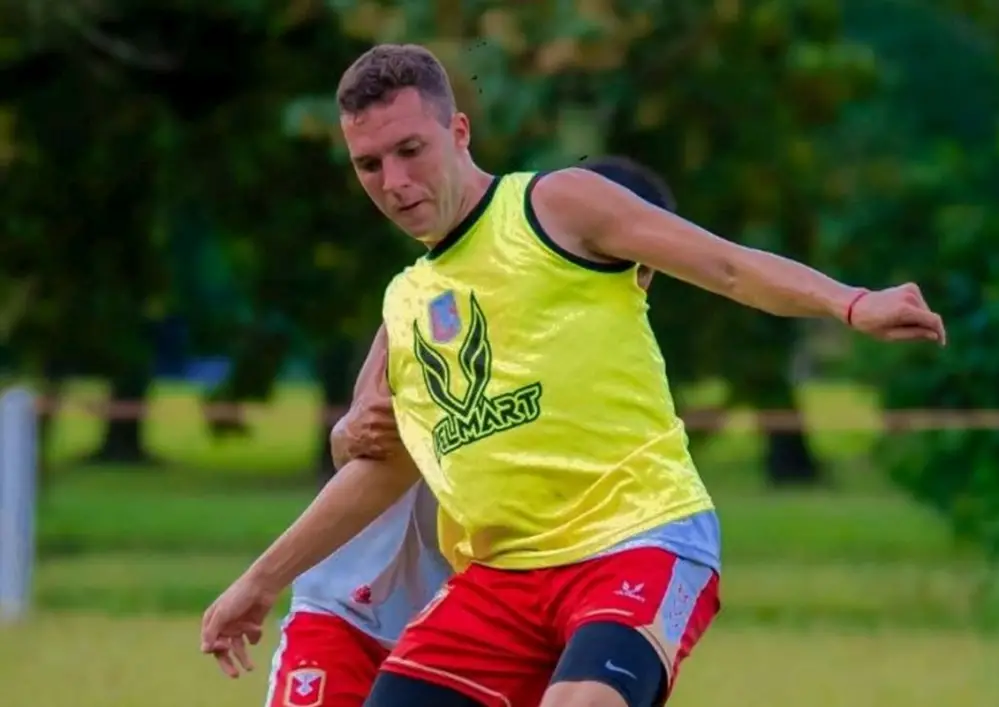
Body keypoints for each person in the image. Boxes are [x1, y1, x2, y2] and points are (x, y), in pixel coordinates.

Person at [203, 44, 945, 707]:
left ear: (458, 131)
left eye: (410, 150)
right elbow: (387, 466)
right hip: (501, 583)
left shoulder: (552, 206)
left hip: (638, 540)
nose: (394, 182)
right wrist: (258, 581)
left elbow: (726, 266)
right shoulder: (408, 302)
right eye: (370, 165)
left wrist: (852, 303)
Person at [206, 156, 682, 707]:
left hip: (487, 621)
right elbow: (368, 438)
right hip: (351, 609)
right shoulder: (443, 301)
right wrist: (347, 434)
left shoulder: (617, 370)